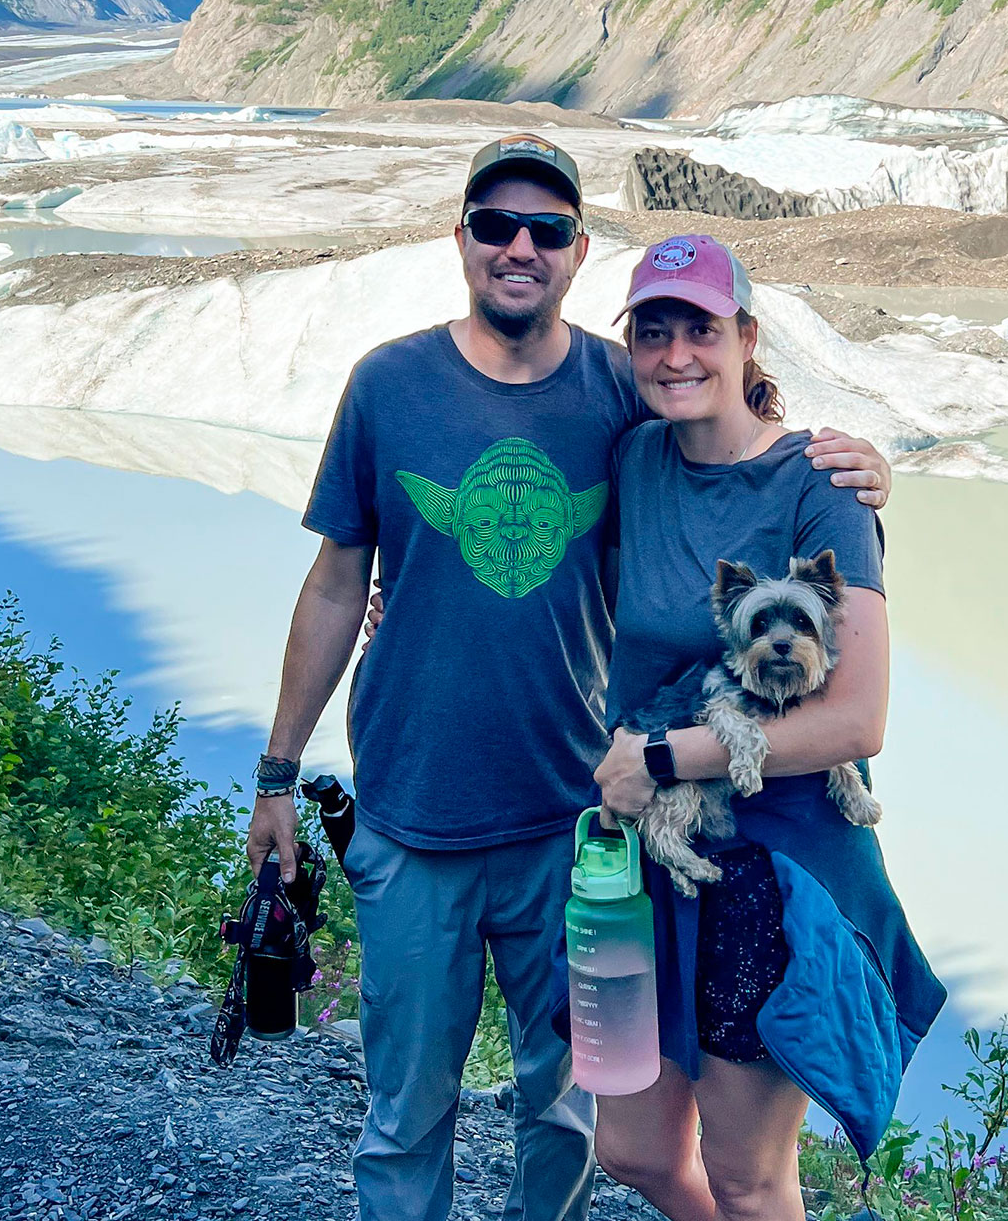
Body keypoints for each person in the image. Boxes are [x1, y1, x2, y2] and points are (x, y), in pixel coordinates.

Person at [244, 136, 895, 1221]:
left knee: (570, 1113)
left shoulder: (621, 392)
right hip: (414, 818)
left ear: (578, 252)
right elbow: (331, 584)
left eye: (546, 230)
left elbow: (736, 463)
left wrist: (862, 479)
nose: (519, 246)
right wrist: (276, 774)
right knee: (407, 1111)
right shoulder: (389, 387)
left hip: (580, 833)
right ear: (462, 238)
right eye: (496, 223)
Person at [588, 236, 946, 1221]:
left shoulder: (820, 484)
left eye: (699, 329)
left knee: (749, 1177)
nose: (675, 355)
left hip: (762, 873)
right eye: (651, 333)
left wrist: (660, 756)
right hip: (642, 863)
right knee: (633, 1149)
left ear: (746, 337)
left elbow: (856, 719)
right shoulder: (633, 459)